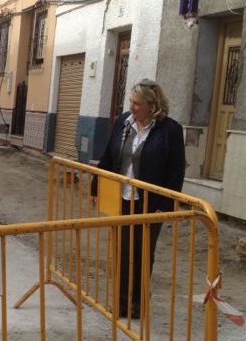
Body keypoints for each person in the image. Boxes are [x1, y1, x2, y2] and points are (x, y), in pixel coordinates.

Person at [89, 79, 185, 319]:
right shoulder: (123, 122)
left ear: (152, 105)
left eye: (137, 104)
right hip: (122, 198)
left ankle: (138, 304)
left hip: (150, 203)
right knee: (122, 253)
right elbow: (108, 157)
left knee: (142, 254)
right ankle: (121, 303)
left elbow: (176, 170)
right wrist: (96, 187)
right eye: (131, 102)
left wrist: (166, 205)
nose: (132, 107)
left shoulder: (170, 130)